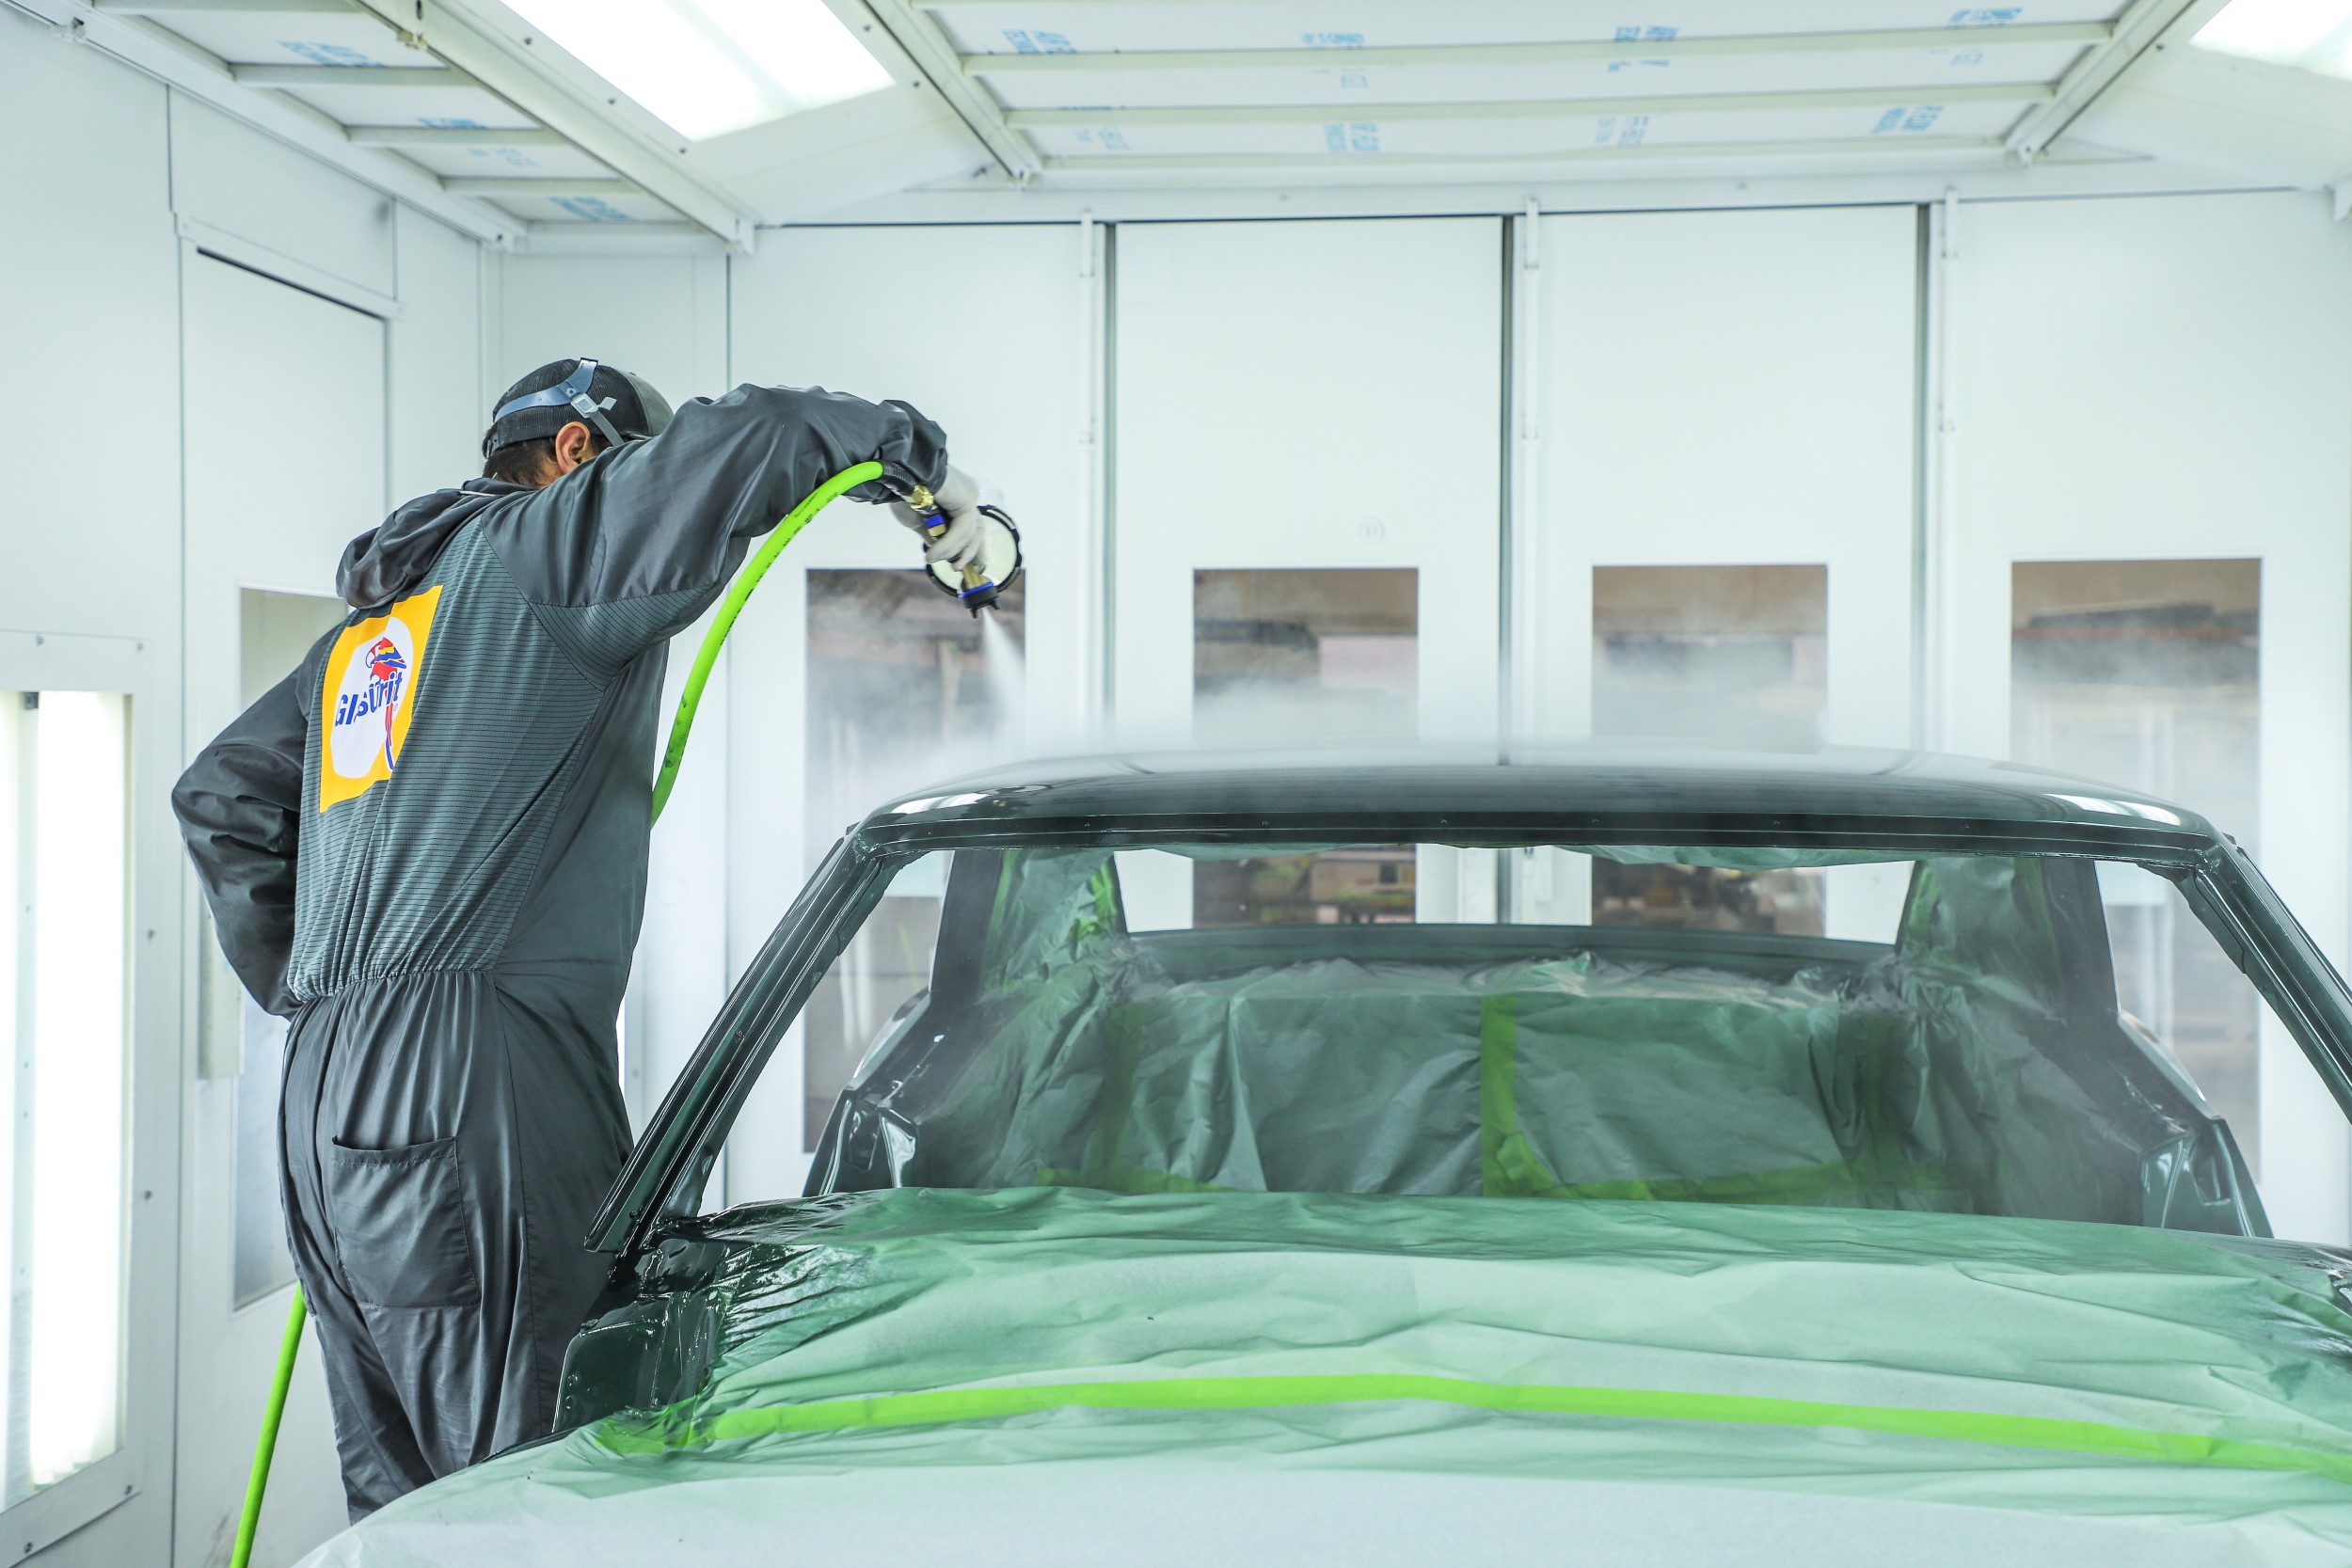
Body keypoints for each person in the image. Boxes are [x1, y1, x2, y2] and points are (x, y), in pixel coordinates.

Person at [172, 358, 993, 1518]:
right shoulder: (542, 550)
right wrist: (931, 481)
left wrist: (326, 995)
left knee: (406, 1506)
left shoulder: (372, 636)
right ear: (573, 454)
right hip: (469, 1080)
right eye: (628, 474)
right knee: (533, 1486)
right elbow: (764, 429)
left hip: (321, 1104)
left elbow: (221, 797)